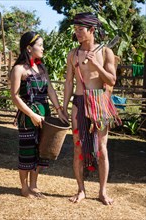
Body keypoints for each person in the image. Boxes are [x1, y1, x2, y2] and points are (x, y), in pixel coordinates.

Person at [63, 12, 122, 205]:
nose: (77, 33)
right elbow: (69, 83)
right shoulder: (73, 54)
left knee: (102, 149)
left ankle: (102, 192)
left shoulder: (106, 53)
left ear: (92, 30)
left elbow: (112, 79)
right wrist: (64, 106)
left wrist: (97, 64)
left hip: (100, 102)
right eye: (76, 30)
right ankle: (81, 190)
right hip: (79, 103)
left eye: (81, 29)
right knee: (78, 148)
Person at [10, 31, 68, 198]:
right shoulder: (18, 69)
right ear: (29, 48)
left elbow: (50, 89)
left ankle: (34, 186)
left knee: (42, 151)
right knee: (27, 152)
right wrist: (32, 115)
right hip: (28, 117)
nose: (43, 48)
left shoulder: (41, 67)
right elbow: (15, 97)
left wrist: (59, 110)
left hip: (45, 116)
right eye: (40, 45)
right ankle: (24, 188)